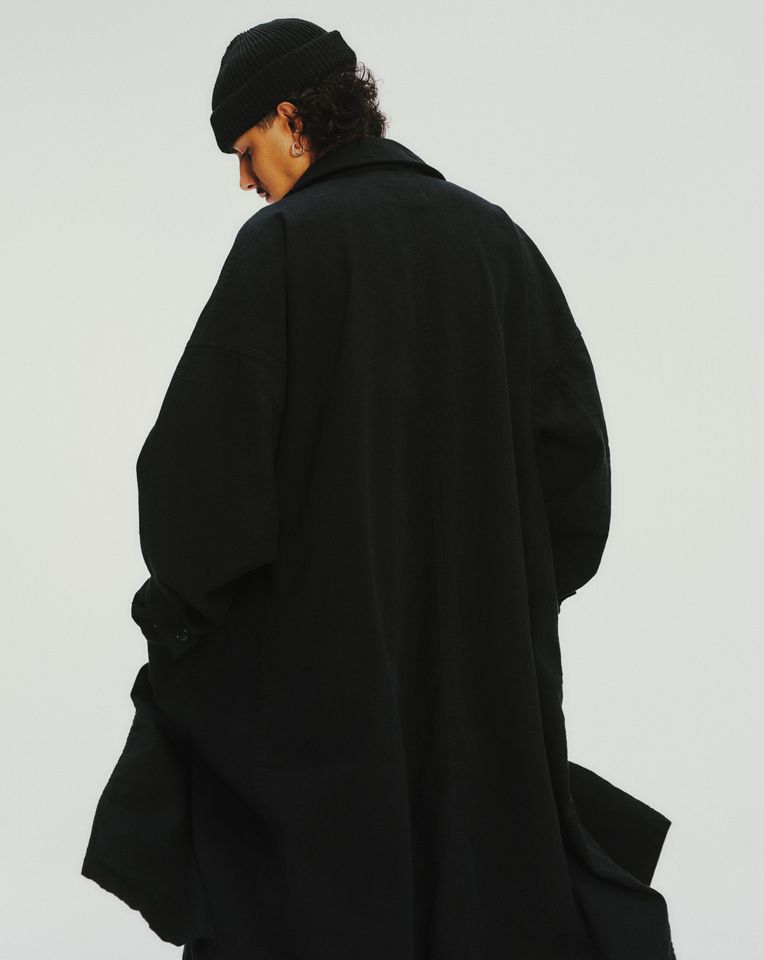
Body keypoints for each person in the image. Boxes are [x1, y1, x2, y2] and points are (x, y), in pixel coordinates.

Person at [80, 17, 677, 960]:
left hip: (324, 705)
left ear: (291, 120)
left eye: (245, 151)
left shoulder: (282, 249)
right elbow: (576, 479)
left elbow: (196, 493)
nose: (244, 180)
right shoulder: (499, 246)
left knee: (324, 910)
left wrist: (192, 631)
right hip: (484, 697)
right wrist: (493, 601)